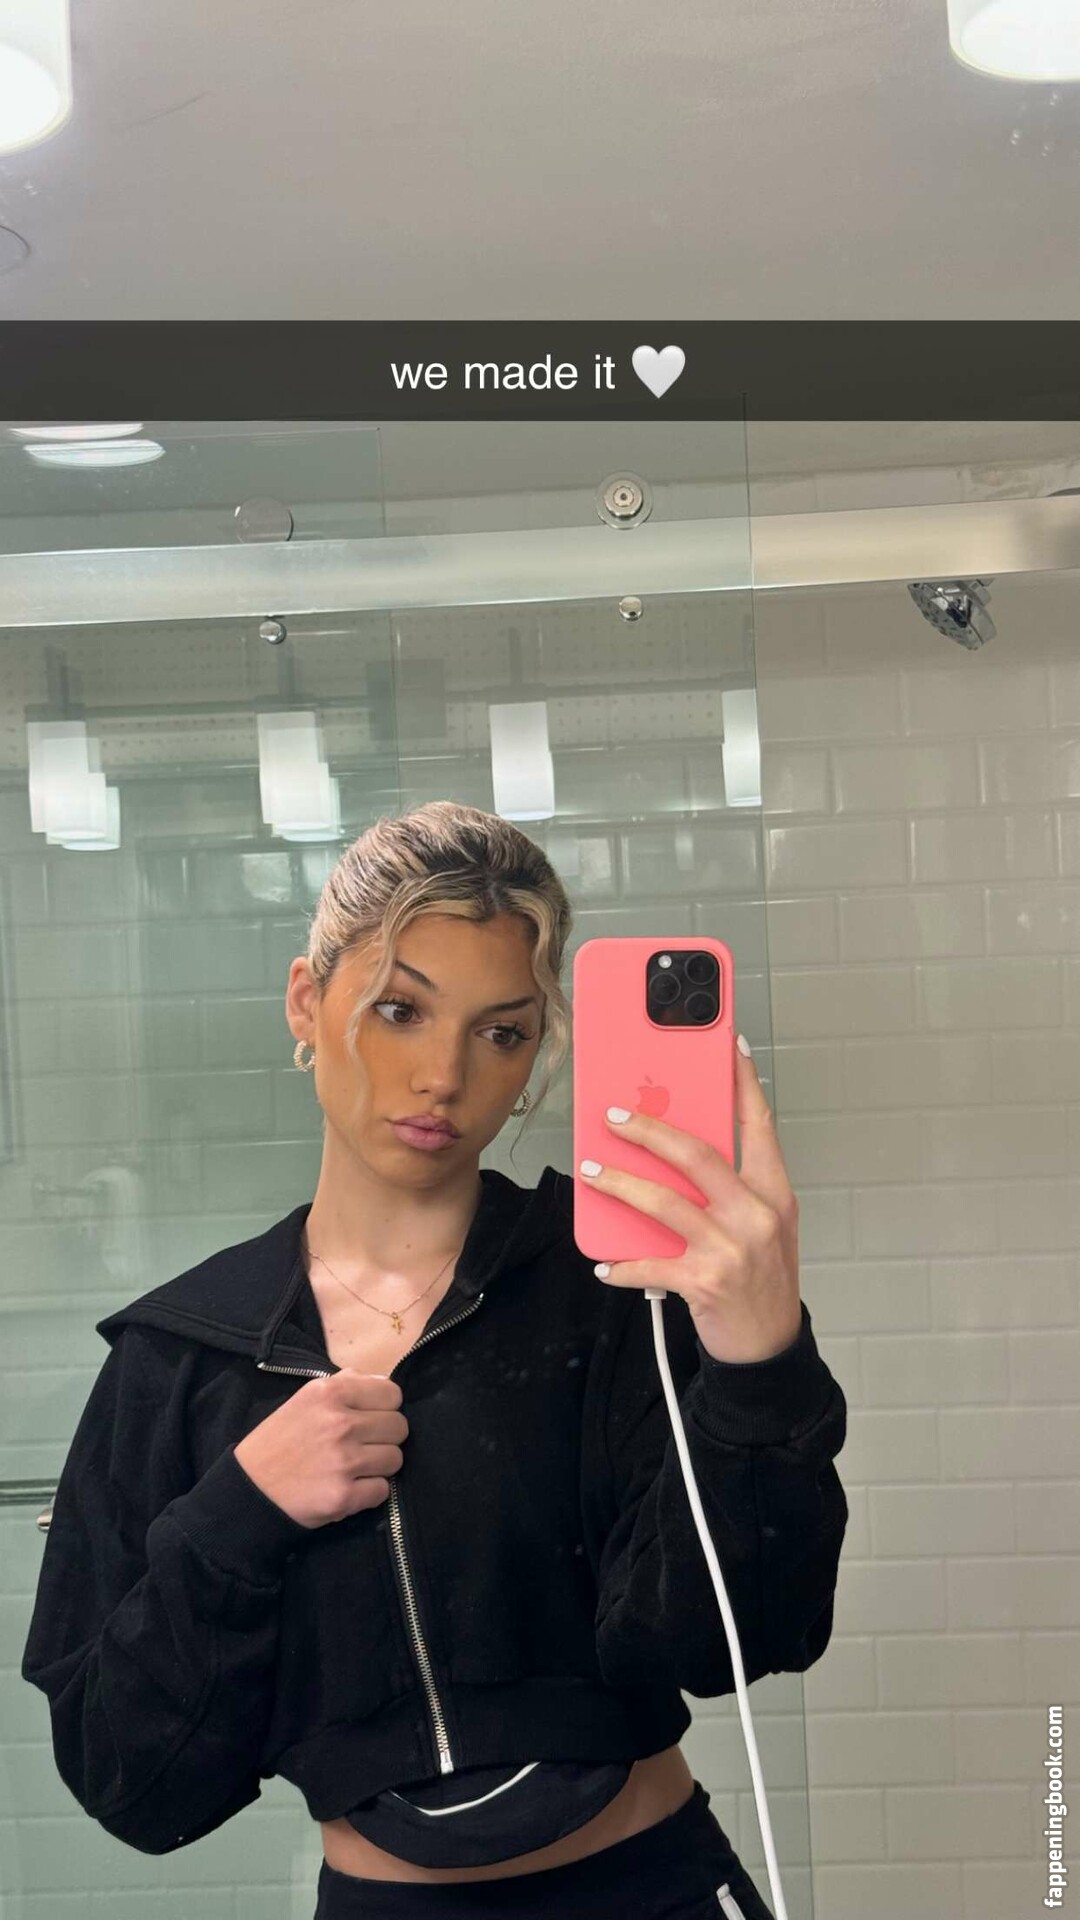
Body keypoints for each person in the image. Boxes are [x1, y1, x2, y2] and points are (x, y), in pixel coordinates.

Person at [22, 799, 849, 1920]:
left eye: (501, 1032)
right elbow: (130, 1779)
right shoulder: (180, 1359)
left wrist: (759, 1362)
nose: (443, 1076)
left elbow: (741, 1641)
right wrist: (240, 1513)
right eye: (400, 1010)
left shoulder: (617, 1295)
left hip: (651, 1888)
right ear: (307, 1003)